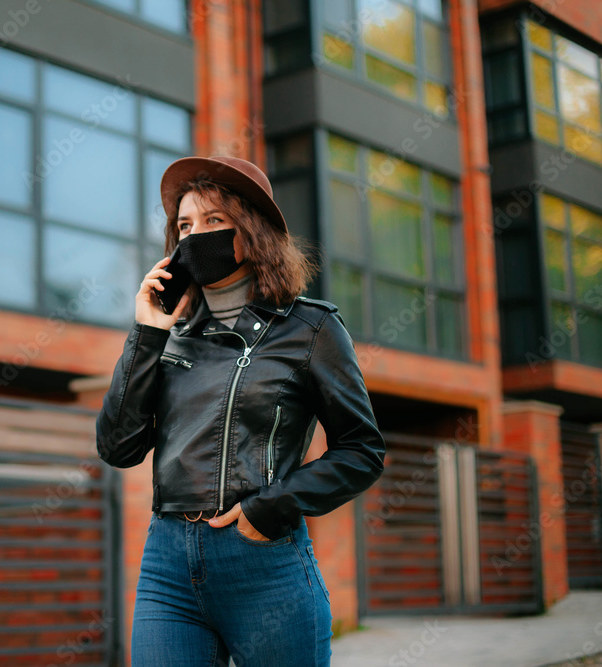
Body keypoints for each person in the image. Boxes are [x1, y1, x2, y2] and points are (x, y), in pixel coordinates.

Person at [95, 155, 387, 666]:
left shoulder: (310, 329)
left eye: (213, 221)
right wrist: (147, 332)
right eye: (184, 225)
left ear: (252, 231)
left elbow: (362, 451)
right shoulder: (169, 335)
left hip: (264, 562)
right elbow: (119, 447)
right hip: (168, 563)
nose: (194, 236)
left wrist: (269, 509)